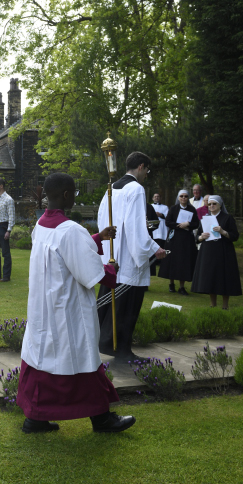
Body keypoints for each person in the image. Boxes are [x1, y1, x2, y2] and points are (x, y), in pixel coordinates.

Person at [18, 172, 135, 434]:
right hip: (66, 309)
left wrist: (97, 238)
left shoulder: (41, 225)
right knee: (82, 359)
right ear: (68, 195)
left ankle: (35, 418)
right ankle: (102, 419)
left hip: (44, 307)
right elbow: (91, 274)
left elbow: (61, 251)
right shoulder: (72, 230)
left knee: (42, 358)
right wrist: (112, 269)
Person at [96, 152, 167, 359]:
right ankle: (123, 350)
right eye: (147, 171)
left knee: (109, 304)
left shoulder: (111, 188)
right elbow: (136, 227)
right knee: (127, 306)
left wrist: (107, 252)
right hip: (128, 258)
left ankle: (107, 343)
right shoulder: (135, 188)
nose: (147, 175)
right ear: (141, 167)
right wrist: (154, 248)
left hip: (112, 256)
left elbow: (104, 221)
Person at [192, 195, 242, 309]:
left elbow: (235, 236)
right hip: (208, 251)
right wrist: (201, 237)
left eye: (214, 204)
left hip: (224, 251)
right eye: (209, 204)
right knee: (211, 277)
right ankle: (212, 304)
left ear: (220, 205)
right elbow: (197, 237)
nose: (211, 206)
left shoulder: (227, 218)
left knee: (224, 277)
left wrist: (223, 231)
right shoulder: (205, 218)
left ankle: (225, 305)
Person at [159, 190, 200, 295]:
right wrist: (178, 225)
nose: (183, 198)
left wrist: (188, 224)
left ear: (188, 198)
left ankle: (182, 287)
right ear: (178, 198)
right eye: (181, 196)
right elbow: (168, 222)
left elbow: (196, 223)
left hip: (186, 240)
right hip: (174, 239)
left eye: (186, 196)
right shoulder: (173, 208)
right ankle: (171, 283)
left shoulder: (192, 209)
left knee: (184, 262)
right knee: (173, 260)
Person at [150, 193, 169, 276]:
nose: (156, 198)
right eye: (155, 197)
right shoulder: (150, 206)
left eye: (158, 196)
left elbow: (168, 217)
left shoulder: (165, 207)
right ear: (152, 198)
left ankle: (161, 261)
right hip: (154, 230)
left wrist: (161, 214)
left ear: (160, 198)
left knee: (162, 244)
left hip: (162, 229)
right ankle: (154, 261)